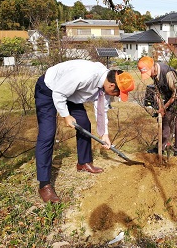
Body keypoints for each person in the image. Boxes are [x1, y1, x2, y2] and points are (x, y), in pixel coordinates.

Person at [34, 59, 135, 203]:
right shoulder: (85, 75)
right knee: (47, 134)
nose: (117, 96)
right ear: (112, 85)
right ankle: (44, 184)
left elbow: (101, 110)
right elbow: (58, 94)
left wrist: (104, 134)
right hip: (49, 89)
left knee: (84, 124)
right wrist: (66, 115)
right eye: (118, 93)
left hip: (69, 94)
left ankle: (83, 162)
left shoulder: (105, 84)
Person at [137, 56, 177, 157]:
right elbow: (158, 91)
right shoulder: (154, 74)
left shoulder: (168, 73)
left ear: (153, 66)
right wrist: (160, 105)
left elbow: (176, 93)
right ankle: (161, 148)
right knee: (165, 122)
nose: (150, 75)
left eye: (149, 72)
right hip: (169, 98)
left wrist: (164, 107)